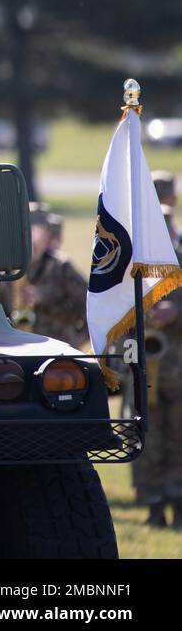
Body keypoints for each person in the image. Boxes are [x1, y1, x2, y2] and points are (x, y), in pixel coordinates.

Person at [130, 171, 182, 527]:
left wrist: (177, 311)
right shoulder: (128, 263)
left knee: (178, 435)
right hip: (146, 366)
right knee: (147, 436)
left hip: (177, 366)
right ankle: (152, 504)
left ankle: (178, 502)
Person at [10, 203, 89, 350]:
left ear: (47, 234)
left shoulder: (62, 267)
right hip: (19, 349)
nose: (32, 238)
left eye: (38, 231)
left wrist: (78, 340)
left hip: (58, 351)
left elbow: (91, 305)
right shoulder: (10, 269)